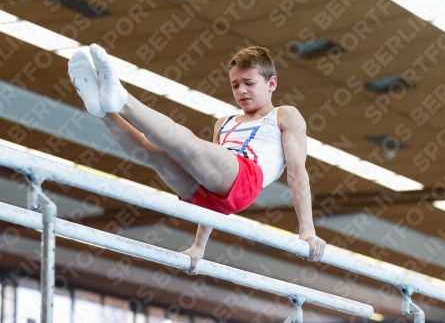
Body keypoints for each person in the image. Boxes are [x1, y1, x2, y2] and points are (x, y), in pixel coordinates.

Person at [68, 44, 326, 275]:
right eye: (235, 85)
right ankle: (102, 110)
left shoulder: (285, 115)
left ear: (271, 83)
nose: (241, 91)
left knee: (190, 147)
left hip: (247, 178)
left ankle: (121, 100)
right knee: (154, 154)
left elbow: (297, 174)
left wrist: (307, 230)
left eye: (249, 83)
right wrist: (198, 247)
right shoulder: (223, 123)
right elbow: (206, 177)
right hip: (211, 196)